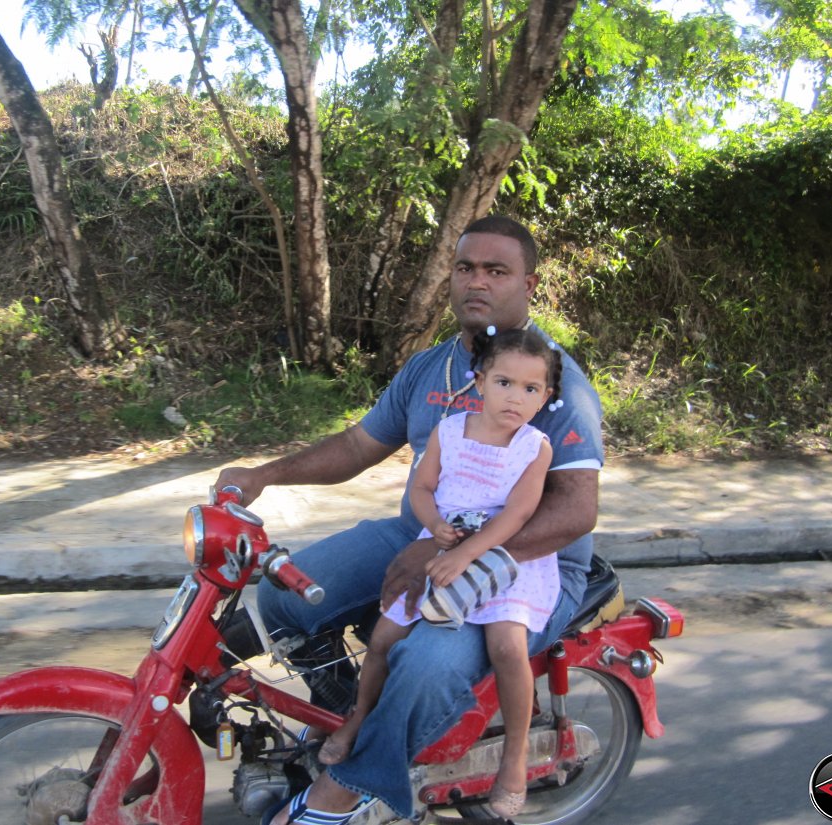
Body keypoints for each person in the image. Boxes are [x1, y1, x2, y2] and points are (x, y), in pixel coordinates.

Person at [214, 216, 604, 825]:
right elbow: (356, 447)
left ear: (528, 285)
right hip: (423, 532)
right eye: (465, 267)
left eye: (496, 271)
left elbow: (576, 511)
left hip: (527, 559)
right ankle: (358, 718)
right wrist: (264, 474)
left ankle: (349, 790)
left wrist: (462, 552)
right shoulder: (432, 367)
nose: (477, 281)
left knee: (425, 664)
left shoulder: (551, 381)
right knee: (286, 595)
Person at [317, 326, 563, 820]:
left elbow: (517, 515)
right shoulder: (449, 432)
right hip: (441, 546)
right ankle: (358, 717)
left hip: (503, 561)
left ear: (546, 397)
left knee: (506, 647)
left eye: (530, 389)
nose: (516, 398)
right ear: (479, 381)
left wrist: (466, 553)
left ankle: (513, 758)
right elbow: (423, 490)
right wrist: (433, 527)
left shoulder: (534, 448)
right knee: (384, 638)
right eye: (504, 383)